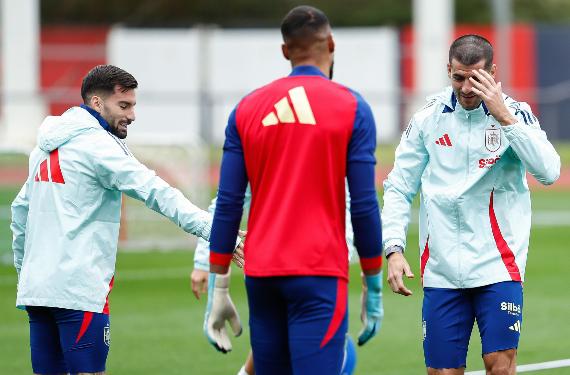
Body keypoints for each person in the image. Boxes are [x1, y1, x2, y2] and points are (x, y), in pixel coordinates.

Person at [204, 5, 383, 375]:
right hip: (319, 272)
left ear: (285, 51)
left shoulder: (245, 109)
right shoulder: (353, 107)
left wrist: (218, 285)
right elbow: (364, 205)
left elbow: (228, 204)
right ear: (331, 44)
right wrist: (373, 281)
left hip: (262, 273)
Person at [10, 65, 220, 375]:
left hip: (37, 288)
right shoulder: (98, 146)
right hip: (77, 290)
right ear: (97, 103)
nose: (132, 115)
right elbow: (155, 191)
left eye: (133, 105)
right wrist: (215, 230)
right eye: (124, 105)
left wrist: (24, 271)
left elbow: (20, 213)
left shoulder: (42, 148)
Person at [383, 35, 560, 375]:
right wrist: (393, 248)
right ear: (448, 70)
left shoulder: (515, 113)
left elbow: (550, 172)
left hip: (498, 266)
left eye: (476, 78)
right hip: (442, 268)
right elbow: (398, 186)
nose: (466, 87)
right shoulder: (427, 119)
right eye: (459, 77)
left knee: (500, 367)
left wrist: (505, 118)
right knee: (442, 373)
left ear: (493, 72)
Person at [191, 186, 359, 375]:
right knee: (277, 335)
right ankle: (339, 355)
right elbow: (228, 199)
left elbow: (354, 197)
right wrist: (205, 260)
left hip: (319, 260)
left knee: (288, 333)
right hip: (270, 258)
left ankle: (338, 355)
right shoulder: (256, 156)